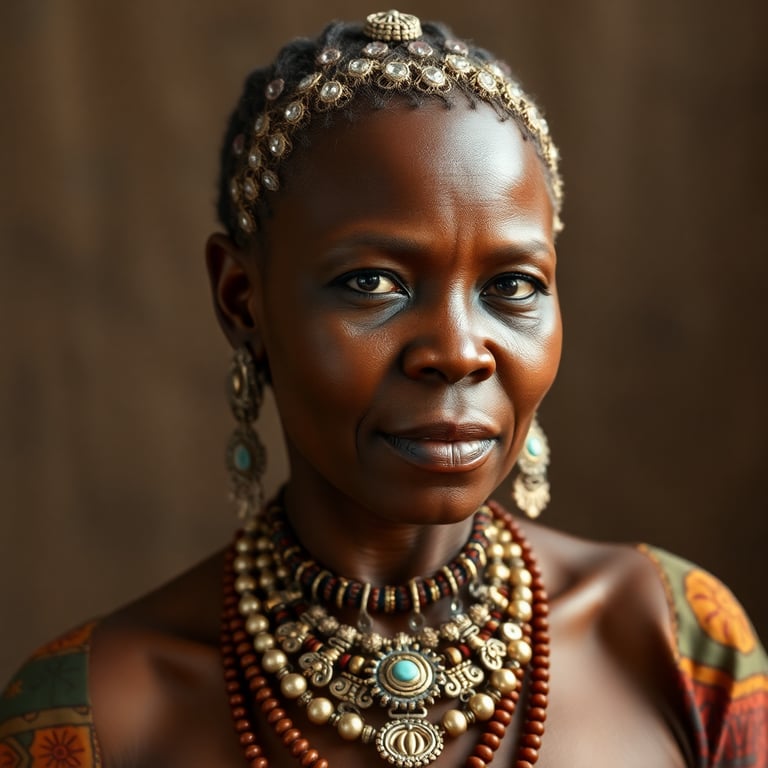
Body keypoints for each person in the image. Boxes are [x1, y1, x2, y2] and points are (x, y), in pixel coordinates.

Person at [1, 9, 765, 768]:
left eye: (512, 286)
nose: (458, 352)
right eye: (372, 283)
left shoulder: (677, 644)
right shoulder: (93, 717)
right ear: (242, 302)